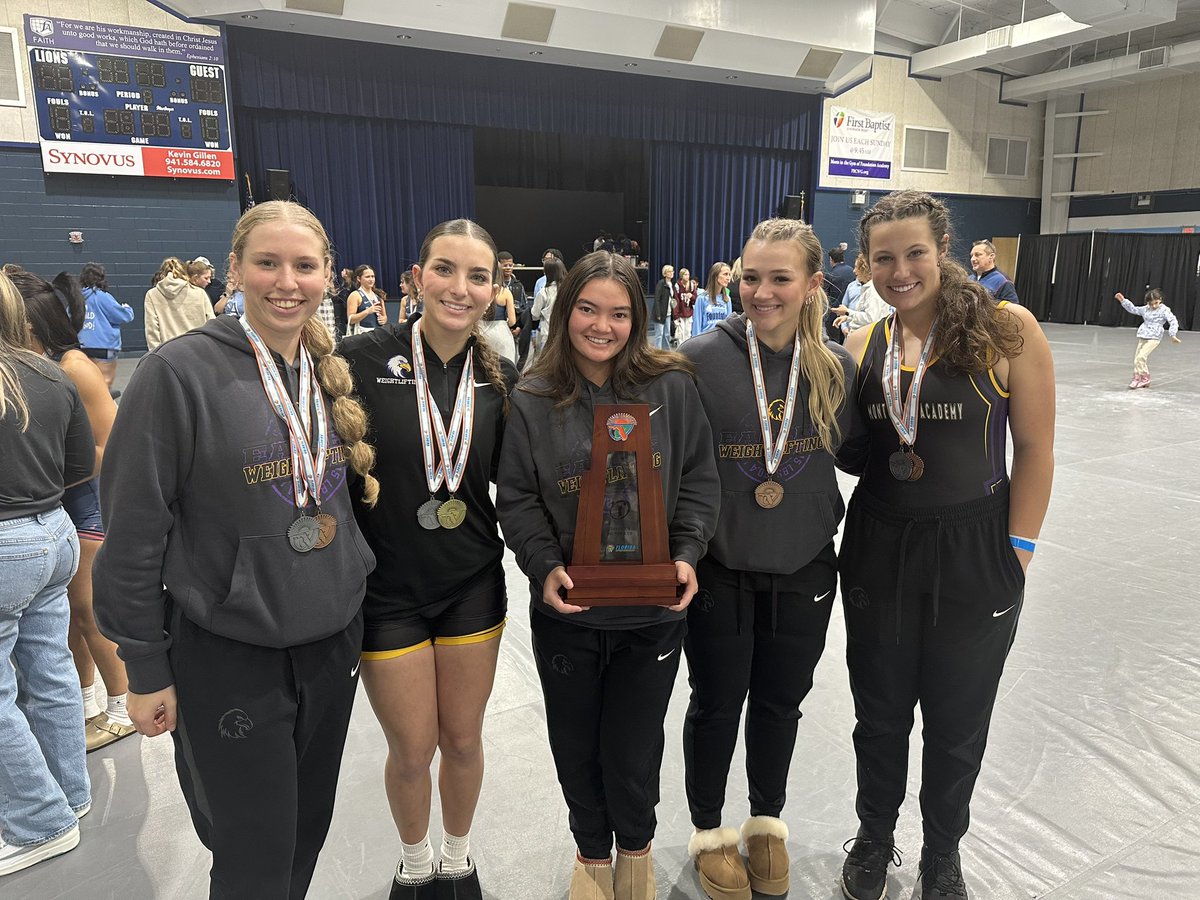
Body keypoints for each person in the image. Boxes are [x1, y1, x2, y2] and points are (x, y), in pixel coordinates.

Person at [92, 201, 380, 899]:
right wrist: (145, 667)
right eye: (267, 262)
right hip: (229, 652)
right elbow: (132, 534)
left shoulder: (325, 369)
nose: (287, 281)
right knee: (253, 855)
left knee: (305, 835)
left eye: (305, 266)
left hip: (331, 643)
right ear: (233, 271)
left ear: (328, 277)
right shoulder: (176, 373)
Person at [836, 191, 1055, 900]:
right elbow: (854, 453)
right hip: (879, 547)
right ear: (867, 266)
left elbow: (1035, 447)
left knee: (958, 720)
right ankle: (875, 837)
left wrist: (1016, 551)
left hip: (975, 549)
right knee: (880, 714)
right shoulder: (864, 344)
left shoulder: (1005, 328)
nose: (900, 271)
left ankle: (942, 851)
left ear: (944, 250)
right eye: (884, 259)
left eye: (915, 254)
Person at [497, 252, 720, 900]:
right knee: (575, 746)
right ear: (566, 312)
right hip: (569, 613)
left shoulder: (672, 387)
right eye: (588, 309)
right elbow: (517, 496)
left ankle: (637, 856)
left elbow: (701, 480)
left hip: (651, 615)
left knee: (633, 748)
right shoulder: (534, 397)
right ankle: (592, 856)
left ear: (638, 318)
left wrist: (687, 552)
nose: (602, 325)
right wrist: (544, 567)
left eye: (619, 313)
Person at [679, 220, 859, 900]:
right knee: (717, 703)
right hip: (721, 565)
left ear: (814, 284)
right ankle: (710, 831)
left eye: (781, 278)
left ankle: (764, 823)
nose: (761, 291)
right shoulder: (699, 358)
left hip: (806, 564)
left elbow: (869, 455)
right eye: (751, 277)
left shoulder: (837, 366)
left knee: (781, 704)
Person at [341, 219, 518, 900]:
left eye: (478, 276)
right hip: (386, 591)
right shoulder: (357, 359)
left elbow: (523, 485)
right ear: (416, 278)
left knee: (465, 740)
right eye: (445, 269)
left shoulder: (499, 377)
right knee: (412, 750)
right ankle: (414, 863)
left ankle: (457, 857)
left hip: (471, 583)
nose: (460, 287)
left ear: (495, 289)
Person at [11, 269, 131, 752]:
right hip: (59, 502)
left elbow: (113, 442)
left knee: (88, 611)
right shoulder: (32, 362)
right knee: (63, 619)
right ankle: (84, 700)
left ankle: (121, 706)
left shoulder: (73, 365)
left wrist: (53, 477)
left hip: (89, 505)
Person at [0, 270, 95, 877]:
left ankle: (39, 822)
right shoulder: (50, 373)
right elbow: (79, 466)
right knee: (52, 669)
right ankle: (70, 797)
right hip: (51, 532)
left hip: (9, 540)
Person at [78, 262, 134, 389]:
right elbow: (122, 316)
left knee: (87, 384)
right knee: (105, 383)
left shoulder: (77, 298)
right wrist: (127, 309)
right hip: (104, 347)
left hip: (83, 347)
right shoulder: (102, 297)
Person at [143, 257, 214, 350]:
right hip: (198, 349)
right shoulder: (199, 293)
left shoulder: (152, 294)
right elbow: (211, 322)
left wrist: (154, 352)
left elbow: (152, 328)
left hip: (167, 352)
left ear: (162, 273)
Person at [1115, 289, 1181, 389]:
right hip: (1143, 334)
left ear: (1160, 300)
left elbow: (1173, 321)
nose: (1154, 306)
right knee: (1138, 359)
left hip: (1154, 337)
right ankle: (1137, 377)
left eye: (1156, 303)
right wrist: (1123, 301)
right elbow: (1134, 309)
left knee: (1141, 357)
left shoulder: (1164, 310)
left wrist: (1172, 334)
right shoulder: (1146, 309)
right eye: (1151, 304)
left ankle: (1145, 378)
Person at [836, 254, 893, 337]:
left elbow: (871, 319)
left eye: (856, 267)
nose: (854, 271)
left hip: (866, 338)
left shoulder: (873, 291)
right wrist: (847, 318)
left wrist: (848, 312)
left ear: (865, 269)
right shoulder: (870, 288)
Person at [499, 252, 533, 369]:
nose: (508, 268)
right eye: (505, 265)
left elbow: (524, 308)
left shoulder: (518, 286)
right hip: (498, 330)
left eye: (510, 265)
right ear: (498, 265)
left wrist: (519, 327)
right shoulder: (494, 286)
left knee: (513, 361)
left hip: (516, 331)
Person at [532, 257, 567, 358]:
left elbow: (535, 315)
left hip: (547, 335)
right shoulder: (567, 291)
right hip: (565, 334)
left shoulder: (543, 293)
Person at [477, 281, 518, 363]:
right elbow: (512, 321)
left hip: (480, 330)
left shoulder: (479, 290)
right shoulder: (505, 292)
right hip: (501, 332)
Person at [348, 264, 389, 334]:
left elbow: (384, 316)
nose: (371, 279)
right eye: (367, 277)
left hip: (377, 334)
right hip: (363, 334)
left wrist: (384, 319)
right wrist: (367, 311)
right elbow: (351, 319)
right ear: (359, 278)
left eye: (372, 276)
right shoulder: (355, 295)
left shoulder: (378, 296)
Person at [694, 262, 732, 335]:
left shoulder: (727, 299)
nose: (728, 278)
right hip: (705, 340)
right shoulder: (702, 298)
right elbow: (697, 326)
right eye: (725, 274)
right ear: (715, 276)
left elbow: (728, 326)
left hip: (721, 340)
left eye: (729, 275)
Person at [650, 265, 674, 349]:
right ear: (665, 273)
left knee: (667, 334)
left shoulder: (671, 284)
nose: (672, 273)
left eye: (672, 271)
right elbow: (657, 299)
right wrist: (658, 314)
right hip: (660, 313)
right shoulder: (661, 283)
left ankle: (667, 352)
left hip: (668, 313)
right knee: (659, 334)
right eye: (669, 272)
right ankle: (658, 352)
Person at [672, 268, 695, 345]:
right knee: (680, 334)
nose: (687, 276)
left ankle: (687, 350)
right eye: (685, 274)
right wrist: (676, 315)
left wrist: (691, 296)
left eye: (688, 274)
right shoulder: (677, 286)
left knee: (688, 333)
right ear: (681, 276)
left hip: (689, 313)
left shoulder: (691, 285)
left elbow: (695, 299)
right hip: (681, 314)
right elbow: (676, 302)